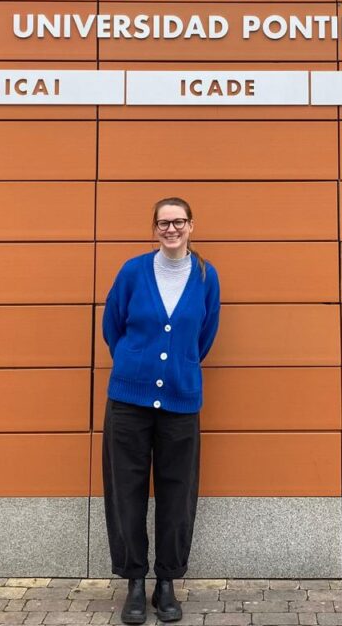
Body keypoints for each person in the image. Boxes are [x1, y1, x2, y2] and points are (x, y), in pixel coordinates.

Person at [102, 197, 221, 625]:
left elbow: (203, 337)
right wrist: (136, 365)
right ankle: (134, 582)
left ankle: (167, 582)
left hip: (181, 403)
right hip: (128, 404)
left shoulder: (207, 277)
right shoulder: (133, 271)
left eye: (179, 222)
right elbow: (112, 325)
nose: (171, 229)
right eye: (163, 223)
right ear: (154, 229)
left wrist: (176, 371)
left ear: (192, 226)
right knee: (126, 495)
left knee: (177, 496)